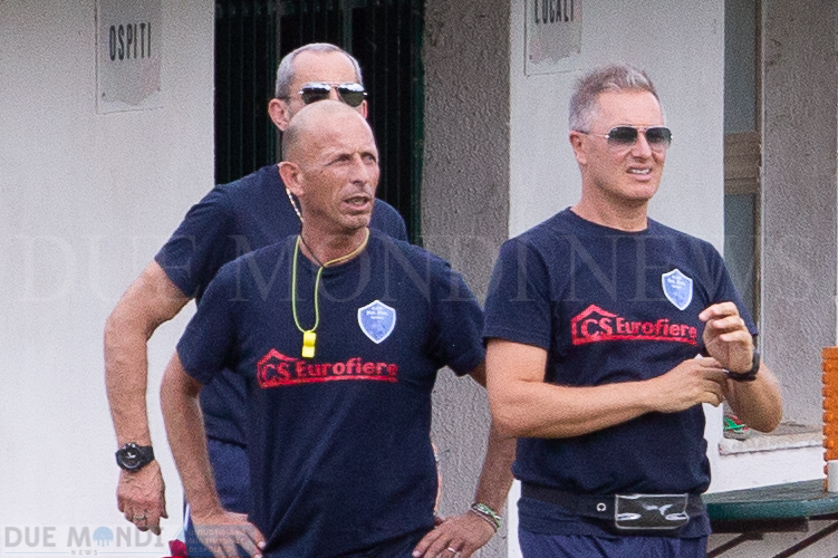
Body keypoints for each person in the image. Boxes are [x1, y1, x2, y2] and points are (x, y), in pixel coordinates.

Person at [160, 100, 515, 558]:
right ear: (294, 178)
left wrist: (485, 511)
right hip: (279, 547)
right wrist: (206, 509)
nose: (361, 175)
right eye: (340, 161)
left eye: (369, 158)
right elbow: (177, 387)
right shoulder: (243, 284)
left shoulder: (426, 280)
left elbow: (514, 394)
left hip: (399, 549)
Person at [104, 43, 408, 538]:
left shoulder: (384, 222)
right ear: (280, 113)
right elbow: (128, 322)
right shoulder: (231, 211)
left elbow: (399, 355)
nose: (334, 104)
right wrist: (135, 459)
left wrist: (420, 454)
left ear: (365, 111)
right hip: (242, 472)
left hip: (353, 474)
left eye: (349, 94)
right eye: (315, 94)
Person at [483, 64, 783, 558]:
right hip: (575, 531)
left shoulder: (697, 259)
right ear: (580, 146)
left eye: (656, 135)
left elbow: (767, 417)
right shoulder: (533, 256)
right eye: (624, 135)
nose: (644, 151)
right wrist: (654, 393)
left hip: (679, 528)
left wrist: (744, 366)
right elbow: (513, 406)